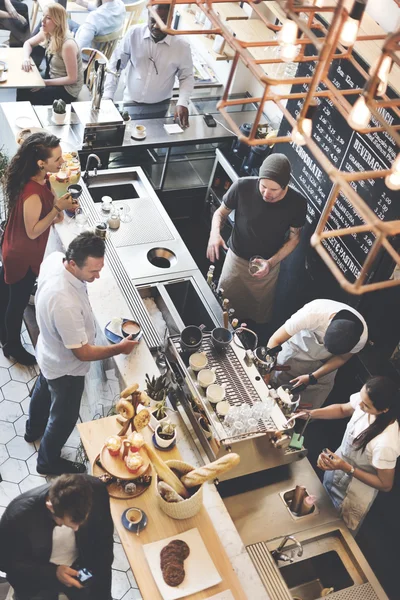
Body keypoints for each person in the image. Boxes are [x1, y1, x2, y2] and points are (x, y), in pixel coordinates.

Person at [25, 232, 138, 475]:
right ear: (73, 263)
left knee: (43, 390)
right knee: (63, 418)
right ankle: (46, 463)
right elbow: (82, 353)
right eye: (92, 272)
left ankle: (31, 430)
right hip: (65, 368)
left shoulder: (56, 259)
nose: (97, 277)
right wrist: (120, 348)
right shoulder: (64, 301)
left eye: (99, 270)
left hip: (48, 352)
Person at [0, 132, 78, 366]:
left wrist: (59, 207)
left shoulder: (41, 177)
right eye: (57, 159)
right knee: (18, 303)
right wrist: (56, 210)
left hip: (14, 247)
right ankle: (11, 345)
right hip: (22, 256)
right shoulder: (31, 194)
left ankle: (3, 331)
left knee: (8, 288)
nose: (62, 162)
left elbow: (54, 211)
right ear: (41, 162)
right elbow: (33, 231)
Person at [207, 153, 307, 327]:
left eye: (274, 190)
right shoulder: (242, 186)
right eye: (263, 186)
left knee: (257, 312)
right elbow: (220, 213)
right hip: (236, 260)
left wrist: (271, 263)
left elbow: (294, 238)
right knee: (223, 303)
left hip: (267, 266)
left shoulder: (297, 203)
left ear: (285, 186)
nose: (267, 193)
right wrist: (214, 234)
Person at [306, 376, 400, 534]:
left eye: (366, 406)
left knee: (333, 533)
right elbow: (343, 409)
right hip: (337, 470)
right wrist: (311, 414)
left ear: (384, 409)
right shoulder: (365, 399)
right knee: (317, 513)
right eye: (361, 399)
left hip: (354, 493)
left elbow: (385, 484)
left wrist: (346, 468)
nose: (360, 405)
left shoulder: (386, 442)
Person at [0, 473, 114, 600]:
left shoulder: (96, 490)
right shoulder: (17, 516)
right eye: (73, 522)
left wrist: (100, 576)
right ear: (51, 507)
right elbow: (7, 563)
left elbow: (105, 539)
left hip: (80, 565)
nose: (77, 528)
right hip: (38, 578)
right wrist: (53, 573)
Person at [103, 3, 194, 125]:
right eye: (152, 20)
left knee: (154, 140)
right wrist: (108, 95)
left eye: (162, 21)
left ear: (171, 19)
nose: (156, 26)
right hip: (130, 102)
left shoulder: (182, 45)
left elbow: (186, 76)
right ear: (147, 15)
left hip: (160, 106)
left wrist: (183, 101)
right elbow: (115, 65)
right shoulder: (133, 34)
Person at [268, 299, 368, 408]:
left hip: (323, 364)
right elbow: (276, 340)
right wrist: (267, 371)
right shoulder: (312, 313)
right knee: (273, 390)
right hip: (295, 352)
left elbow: (342, 358)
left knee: (302, 407)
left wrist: (312, 377)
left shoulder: (361, 338)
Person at [17, 3, 84, 104]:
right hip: (52, 76)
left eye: (48, 18)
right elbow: (28, 43)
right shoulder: (47, 32)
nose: (42, 20)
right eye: (43, 15)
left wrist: (45, 83)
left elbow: (72, 78)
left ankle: (29, 117)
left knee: (26, 93)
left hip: (67, 89)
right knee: (22, 86)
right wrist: (26, 58)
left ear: (58, 21)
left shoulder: (67, 45)